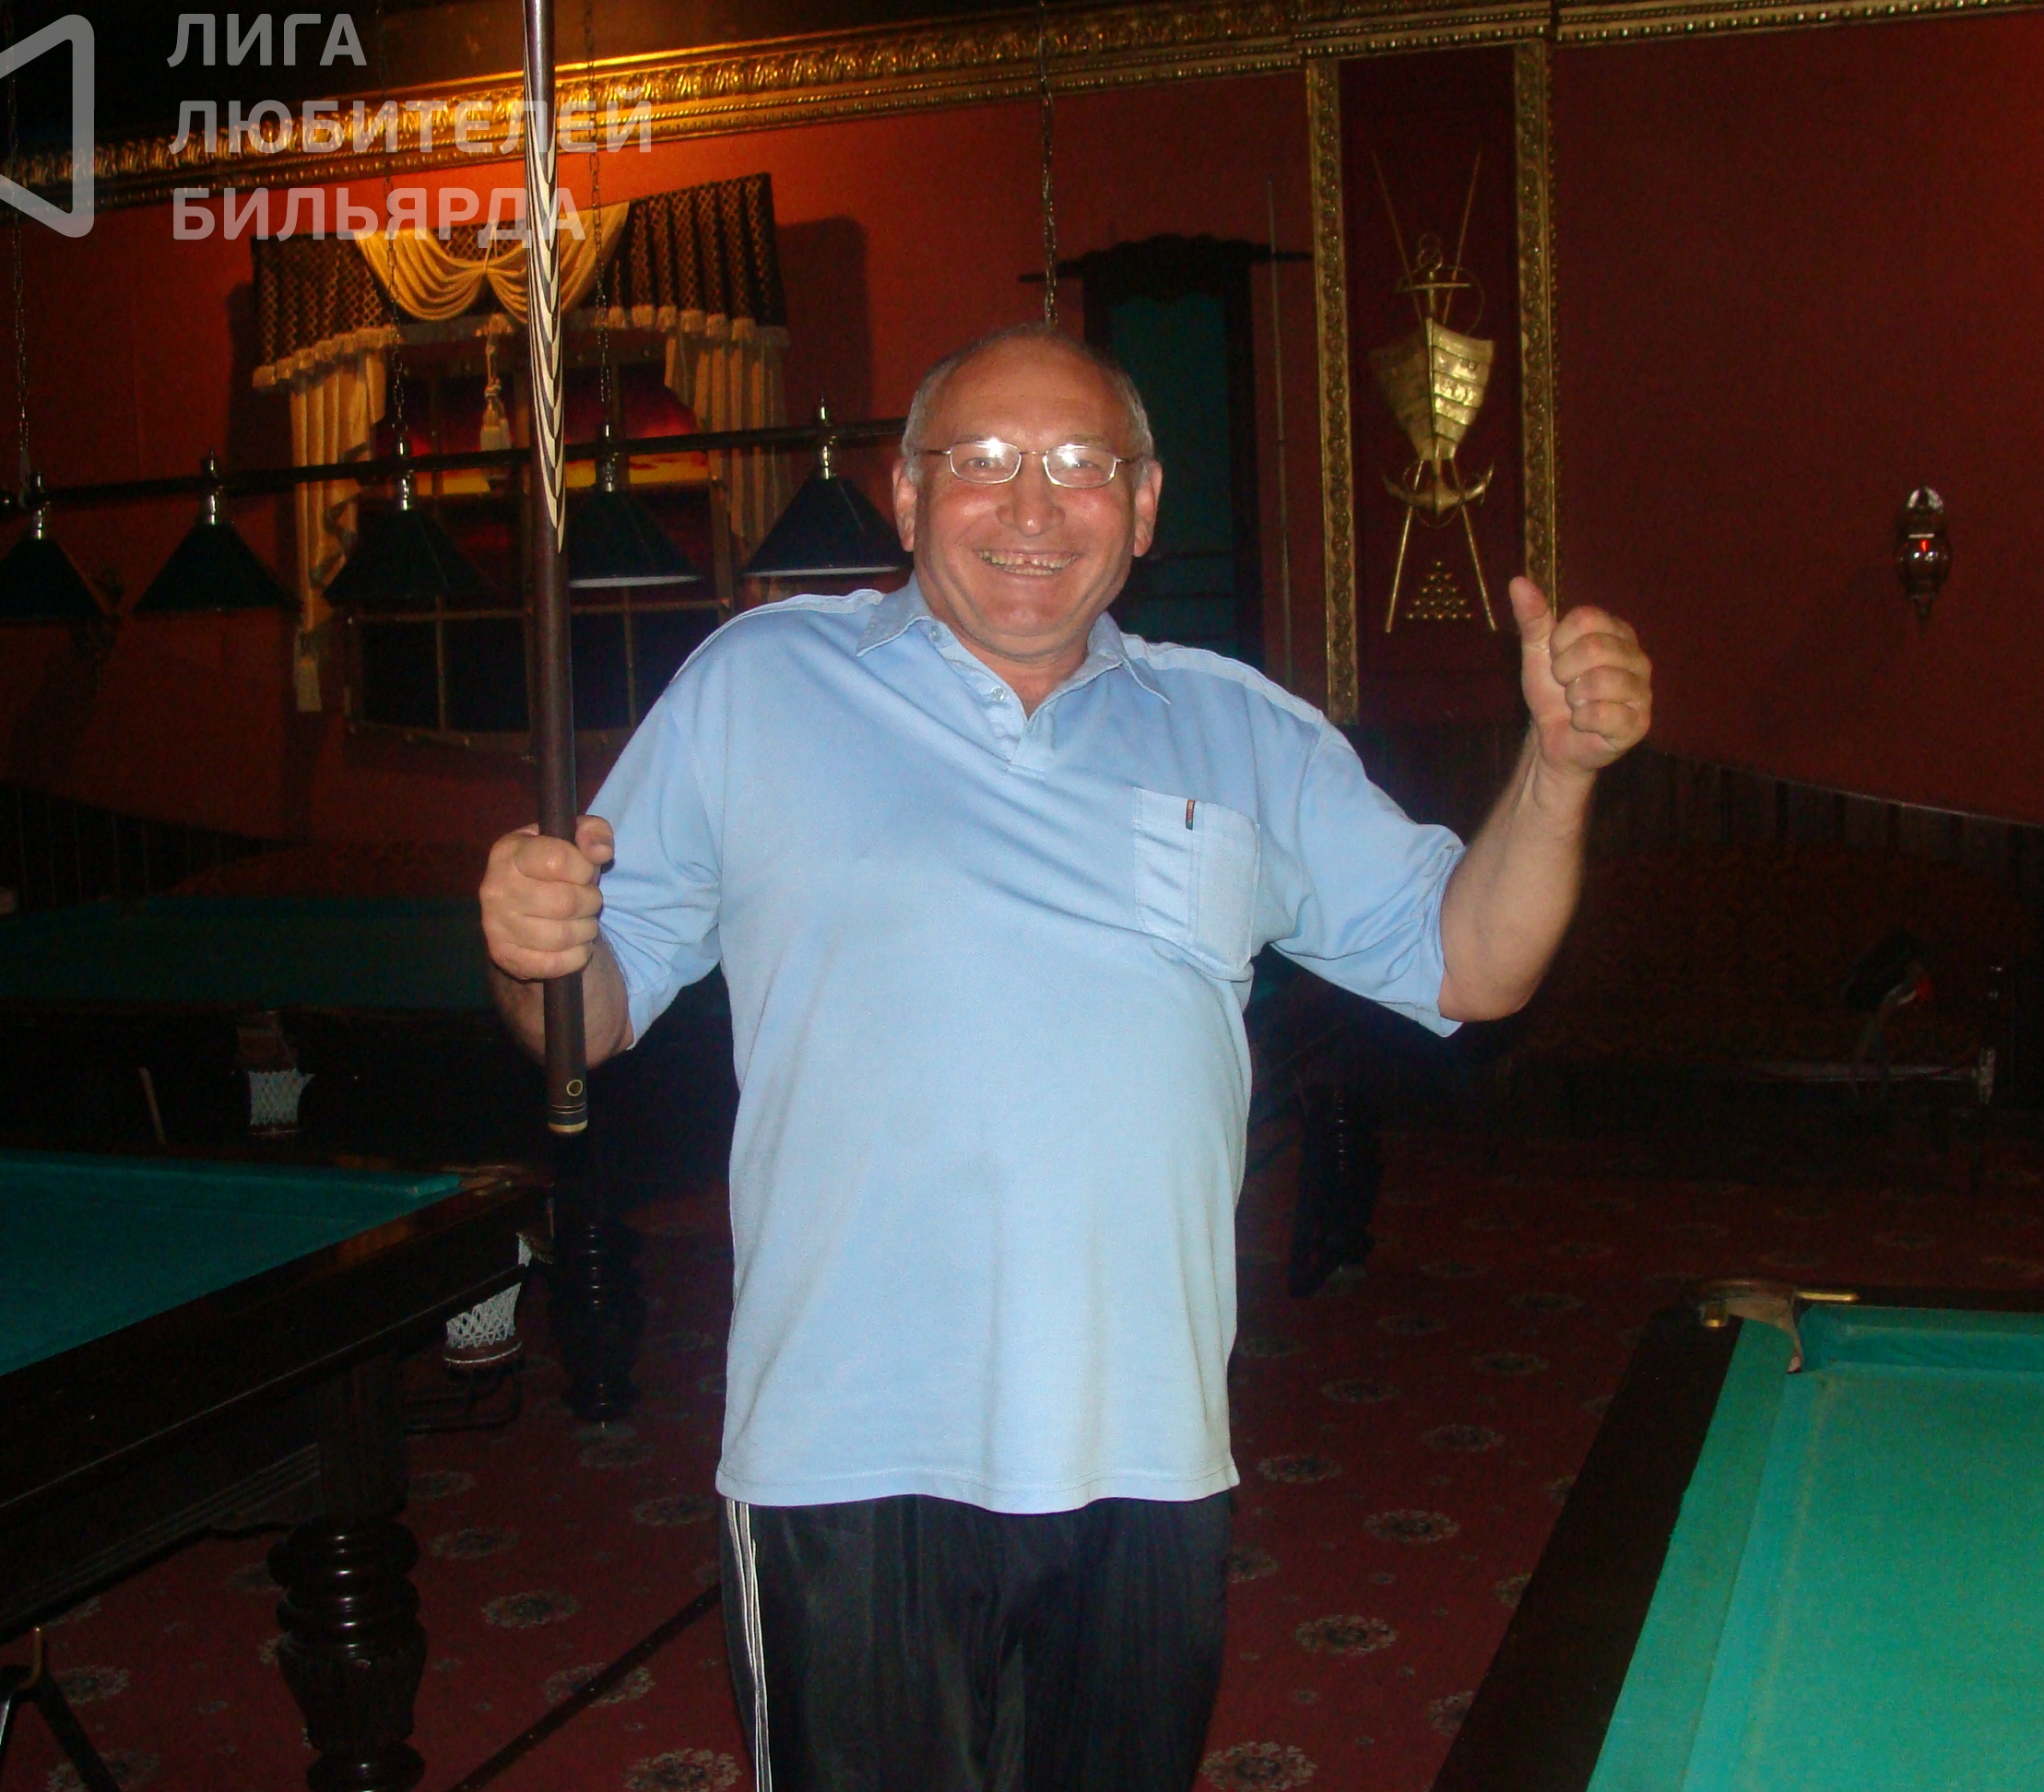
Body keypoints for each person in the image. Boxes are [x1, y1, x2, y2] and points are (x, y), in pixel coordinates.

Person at [479, 323, 1652, 1792]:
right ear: (908, 497)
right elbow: (587, 1013)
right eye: (981, 460)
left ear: (1143, 507)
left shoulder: (1241, 730)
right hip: (845, 1445)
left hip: (1146, 1447)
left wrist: (1558, 775)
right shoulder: (756, 685)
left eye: (1080, 464)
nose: (1030, 506)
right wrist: (538, 949)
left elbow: (1471, 961)